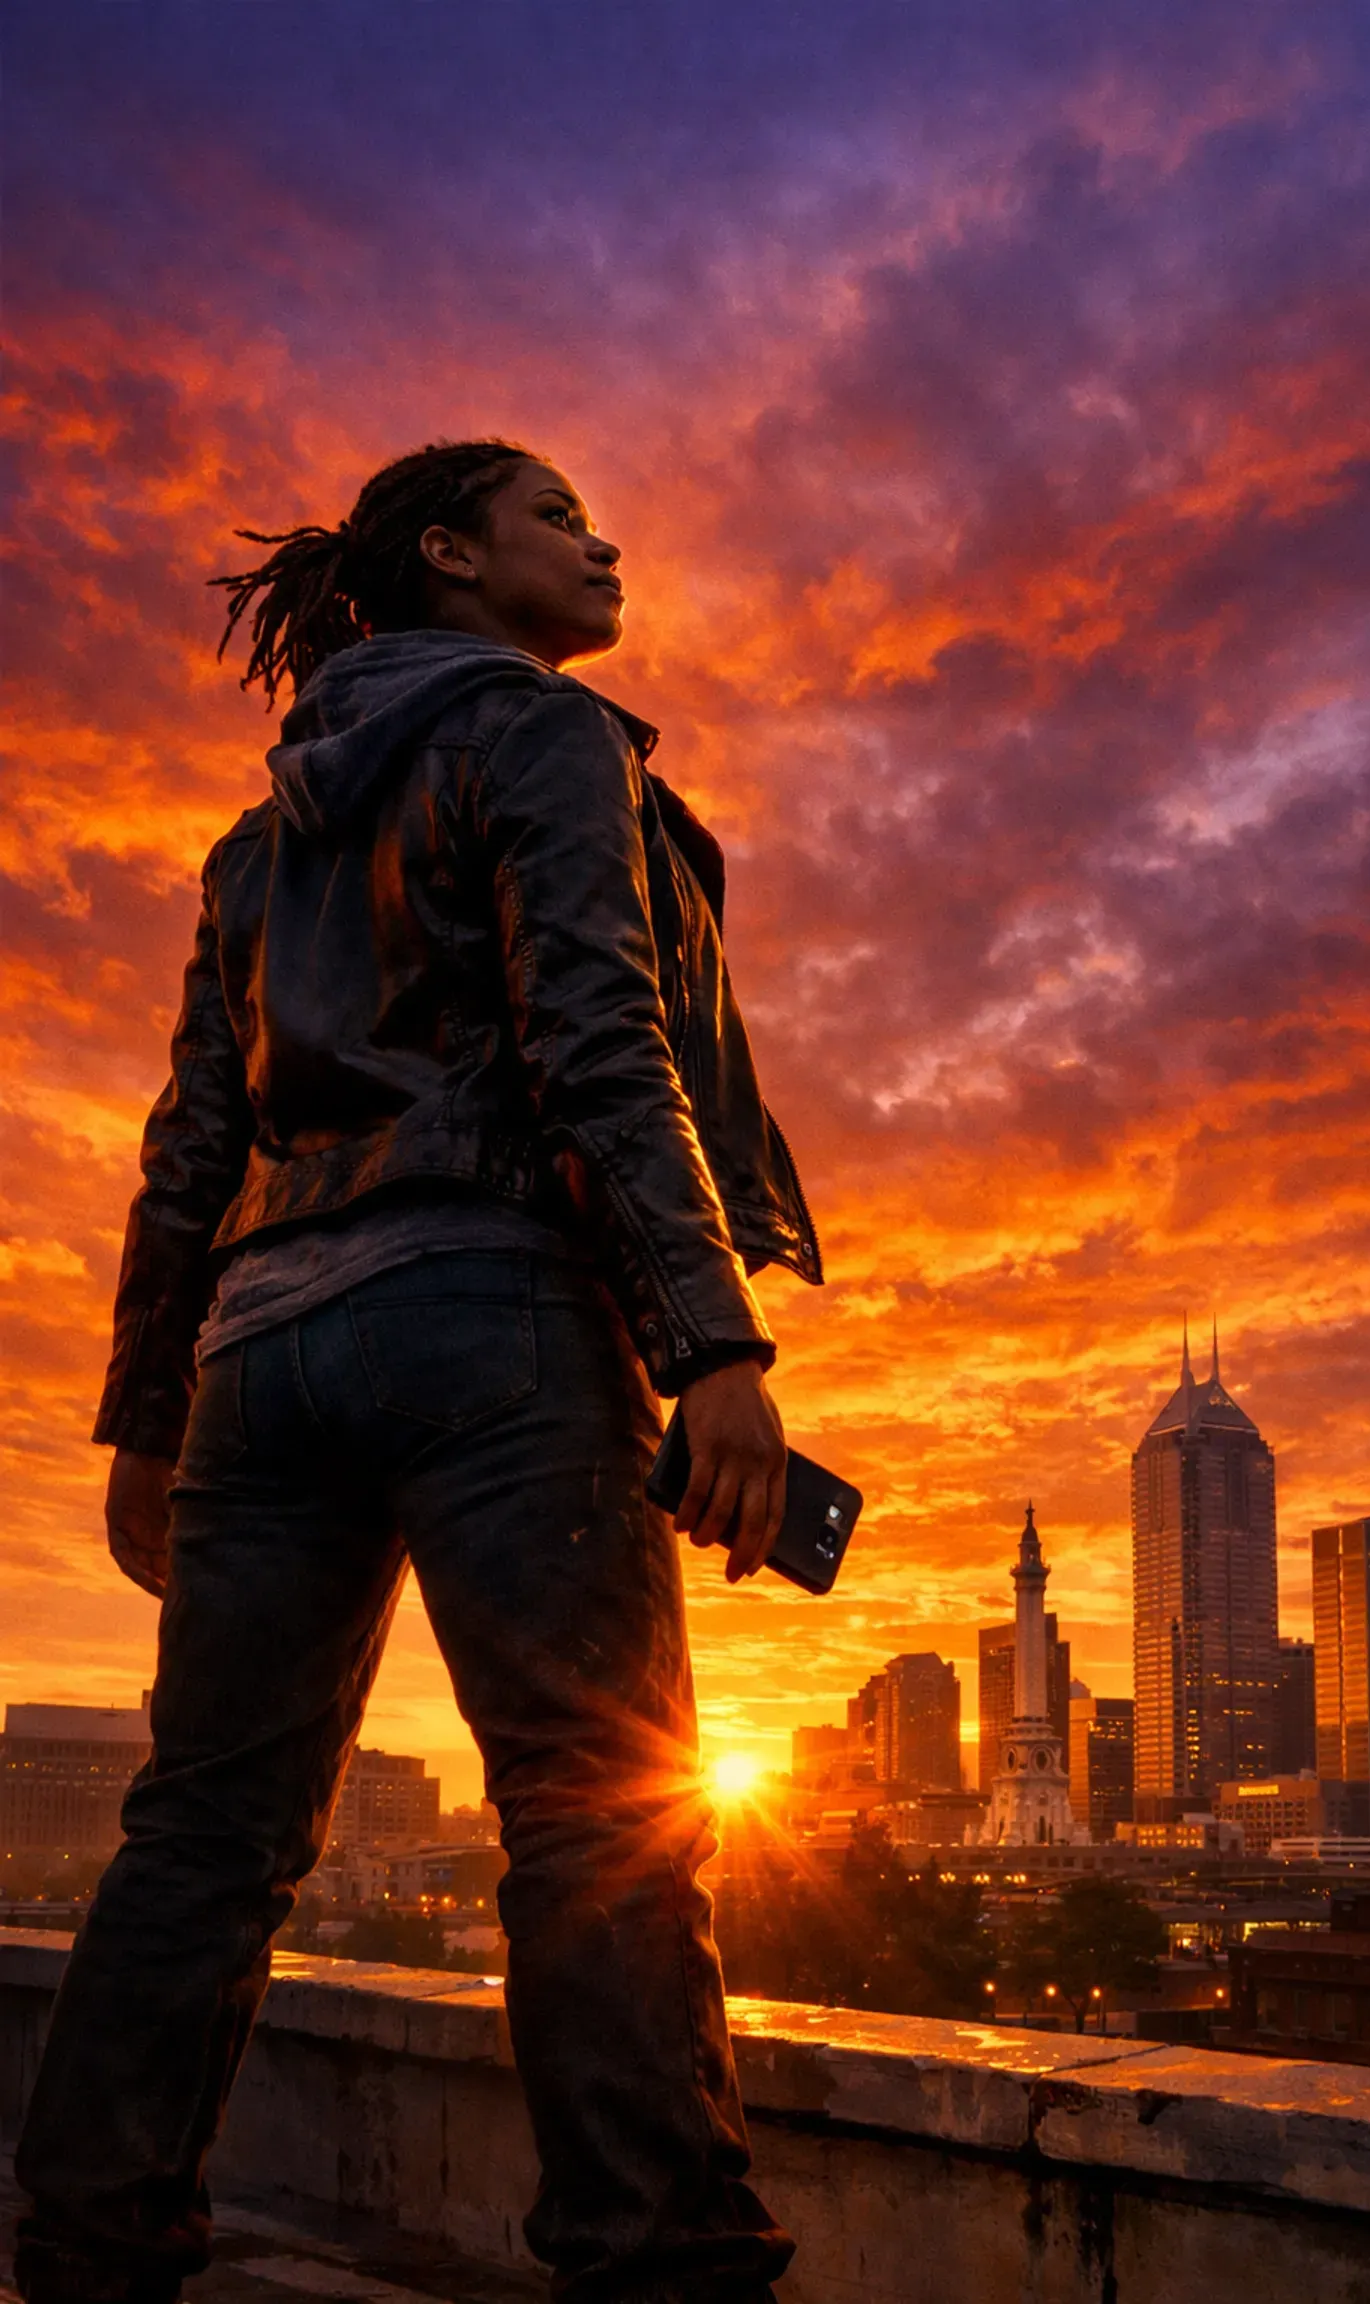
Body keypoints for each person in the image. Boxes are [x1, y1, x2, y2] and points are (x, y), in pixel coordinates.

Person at [13, 439, 823, 2304]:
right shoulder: (537, 731)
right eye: (559, 514)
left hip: (259, 1353)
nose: (604, 539)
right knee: (600, 1815)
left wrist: (148, 1426)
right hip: (494, 1311)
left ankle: (86, 2253)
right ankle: (665, 2265)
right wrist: (711, 1342)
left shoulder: (257, 837)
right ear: (450, 555)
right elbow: (594, 1035)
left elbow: (187, 1155)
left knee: (202, 1834)